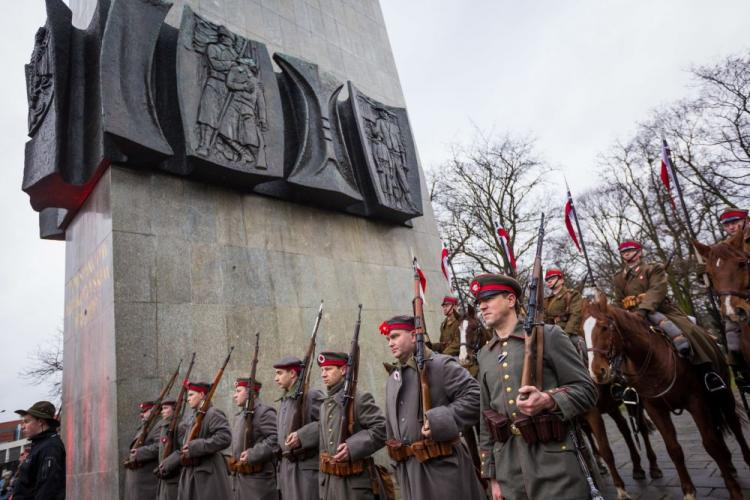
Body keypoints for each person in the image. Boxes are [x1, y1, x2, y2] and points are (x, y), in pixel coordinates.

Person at [472, 273, 598, 500]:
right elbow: (485, 419)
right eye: (479, 302)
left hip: (556, 464)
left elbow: (587, 390)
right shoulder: (484, 354)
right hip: (509, 470)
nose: (482, 306)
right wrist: (492, 476)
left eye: (488, 299)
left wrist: (549, 399)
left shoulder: (549, 336)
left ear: (511, 300)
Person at [380, 315, 484, 500]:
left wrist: (439, 420)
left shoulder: (441, 365)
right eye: (388, 339)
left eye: (395, 336)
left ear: (413, 335)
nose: (390, 343)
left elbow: (476, 397)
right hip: (409, 473)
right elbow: (390, 426)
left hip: (442, 468)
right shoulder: (393, 377)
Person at [614, 240, 726, 390]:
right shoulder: (619, 278)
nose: (627, 254)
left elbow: (657, 290)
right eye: (623, 252)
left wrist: (643, 308)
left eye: (630, 250)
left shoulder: (653, 269)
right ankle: (626, 385)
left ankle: (707, 371)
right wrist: (624, 313)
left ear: (639, 252)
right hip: (632, 315)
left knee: (690, 330)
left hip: (660, 310)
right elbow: (619, 300)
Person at [317, 351, 387, 500]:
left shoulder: (359, 398)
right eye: (322, 370)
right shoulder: (325, 404)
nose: (323, 374)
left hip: (354, 486)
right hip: (330, 486)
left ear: (343, 370)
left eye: (328, 369)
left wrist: (352, 446)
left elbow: (382, 429)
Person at [273, 357, 324, 500]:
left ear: (292, 374)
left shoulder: (311, 395)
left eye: (279, 373)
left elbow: (328, 424)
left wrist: (302, 436)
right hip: (287, 471)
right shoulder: (285, 400)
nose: (275, 378)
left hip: (305, 472)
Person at [177, 381, 232, 499]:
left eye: (191, 395)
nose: (188, 399)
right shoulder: (193, 417)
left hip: (207, 476)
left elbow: (224, 437)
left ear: (201, 395)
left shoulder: (213, 413)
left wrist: (195, 447)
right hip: (191, 473)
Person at [229, 377, 279, 500]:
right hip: (240, 481)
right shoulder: (240, 416)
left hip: (258, 483)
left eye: (238, 391)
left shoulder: (264, 413)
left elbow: (276, 439)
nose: (234, 396)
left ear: (251, 393)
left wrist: (252, 454)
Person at [717, 208, 750, 388]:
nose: (731, 227)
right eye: (727, 225)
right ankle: (741, 372)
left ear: (745, 220)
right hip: (740, 298)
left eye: (734, 222)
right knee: (733, 339)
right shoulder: (723, 248)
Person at [12, 401, 65, 500]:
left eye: (27, 421)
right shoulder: (40, 445)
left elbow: (47, 488)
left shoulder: (50, 446)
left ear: (41, 422)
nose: (23, 427)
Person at [124, 401, 160, 500]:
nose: (141, 414)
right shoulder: (143, 427)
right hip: (138, 481)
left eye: (144, 411)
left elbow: (159, 447)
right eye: (141, 412)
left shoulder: (158, 426)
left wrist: (140, 453)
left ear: (153, 411)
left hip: (147, 481)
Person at [543, 268, 584, 351]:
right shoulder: (546, 300)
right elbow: (544, 319)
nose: (549, 281)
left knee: (583, 349)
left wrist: (566, 335)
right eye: (547, 280)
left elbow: (575, 316)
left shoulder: (572, 294)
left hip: (567, 332)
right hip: (549, 333)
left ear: (561, 280)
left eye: (552, 278)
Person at [155, 399, 180, 500]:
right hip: (164, 478)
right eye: (162, 408)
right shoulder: (164, 426)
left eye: (166, 408)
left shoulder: (180, 425)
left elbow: (182, 450)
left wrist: (168, 463)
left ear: (174, 409)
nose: (162, 411)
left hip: (175, 478)